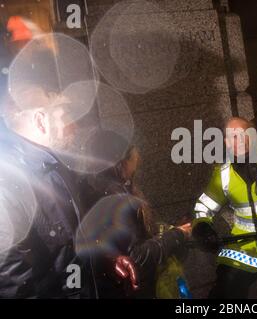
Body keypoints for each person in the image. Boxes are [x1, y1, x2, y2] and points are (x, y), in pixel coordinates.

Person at [0, 86, 97, 298]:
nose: (74, 125)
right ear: (40, 121)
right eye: (64, 115)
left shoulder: (56, 167)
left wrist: (107, 259)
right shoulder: (6, 186)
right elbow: (15, 288)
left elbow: (72, 247)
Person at [80, 130, 192, 298]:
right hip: (128, 289)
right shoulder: (117, 198)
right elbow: (136, 257)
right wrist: (177, 235)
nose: (139, 158)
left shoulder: (90, 189)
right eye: (135, 153)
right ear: (122, 161)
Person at [192, 117, 257, 299]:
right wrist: (202, 227)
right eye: (231, 137)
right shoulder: (223, 174)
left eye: (241, 135)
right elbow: (203, 207)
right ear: (225, 142)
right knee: (223, 292)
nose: (236, 141)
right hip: (243, 246)